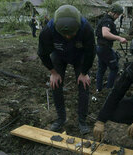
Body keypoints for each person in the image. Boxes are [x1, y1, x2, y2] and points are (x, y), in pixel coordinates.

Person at [37, 5, 95, 134]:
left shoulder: (86, 29)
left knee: (84, 85)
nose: (68, 37)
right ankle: (61, 118)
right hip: (59, 55)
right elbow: (42, 53)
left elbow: (91, 53)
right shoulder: (48, 31)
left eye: (72, 34)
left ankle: (82, 121)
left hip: (80, 56)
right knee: (55, 84)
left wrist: (84, 73)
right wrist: (53, 72)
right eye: (65, 35)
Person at [95, 3, 127, 92]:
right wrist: (119, 38)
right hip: (105, 48)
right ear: (113, 13)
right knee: (114, 68)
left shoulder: (105, 19)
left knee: (101, 68)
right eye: (118, 15)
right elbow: (105, 33)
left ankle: (99, 89)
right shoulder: (108, 21)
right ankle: (110, 89)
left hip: (100, 47)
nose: (117, 17)